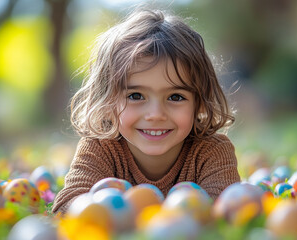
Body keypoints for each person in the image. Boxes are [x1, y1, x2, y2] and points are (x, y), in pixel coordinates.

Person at [52, 8, 240, 214]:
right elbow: (67, 207)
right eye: (136, 96)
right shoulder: (100, 148)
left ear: (200, 103)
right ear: (107, 101)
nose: (156, 114)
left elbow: (227, 212)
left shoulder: (211, 152)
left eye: (175, 97)